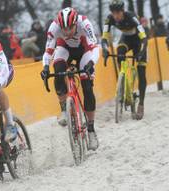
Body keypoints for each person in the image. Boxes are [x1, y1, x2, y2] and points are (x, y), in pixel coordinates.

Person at [41, 7, 99, 150]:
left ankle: (91, 130)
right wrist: (45, 67)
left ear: (75, 23)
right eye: (64, 29)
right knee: (58, 68)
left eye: (70, 28)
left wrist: (91, 63)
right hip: (65, 48)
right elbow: (48, 51)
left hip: (85, 50)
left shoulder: (84, 23)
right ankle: (63, 110)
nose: (67, 32)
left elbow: (95, 47)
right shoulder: (54, 27)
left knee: (87, 88)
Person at [101, 0, 148, 120]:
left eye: (118, 12)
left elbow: (144, 37)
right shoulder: (109, 19)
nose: (116, 16)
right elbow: (105, 37)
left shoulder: (131, 17)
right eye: (113, 13)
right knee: (120, 52)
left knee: (141, 70)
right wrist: (105, 49)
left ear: (123, 11)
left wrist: (142, 52)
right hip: (126, 39)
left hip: (138, 42)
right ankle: (123, 82)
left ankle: (141, 104)